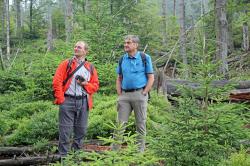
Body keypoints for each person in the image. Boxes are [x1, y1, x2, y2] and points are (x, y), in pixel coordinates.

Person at [52, 41, 99, 156]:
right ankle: (63, 158)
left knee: (81, 131)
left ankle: (75, 156)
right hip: (67, 100)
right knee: (65, 131)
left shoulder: (90, 67)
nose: (76, 48)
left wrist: (85, 84)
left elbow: (95, 86)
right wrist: (61, 99)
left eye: (79, 47)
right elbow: (56, 81)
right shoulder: (66, 64)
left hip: (84, 101)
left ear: (85, 51)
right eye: (75, 46)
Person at [115, 35, 154, 152]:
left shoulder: (144, 57)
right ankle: (114, 154)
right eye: (125, 43)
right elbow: (119, 78)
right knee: (119, 125)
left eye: (128, 42)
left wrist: (145, 92)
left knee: (140, 125)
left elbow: (151, 77)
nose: (125, 45)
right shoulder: (122, 59)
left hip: (139, 94)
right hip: (124, 96)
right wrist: (120, 94)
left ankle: (139, 154)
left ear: (136, 45)